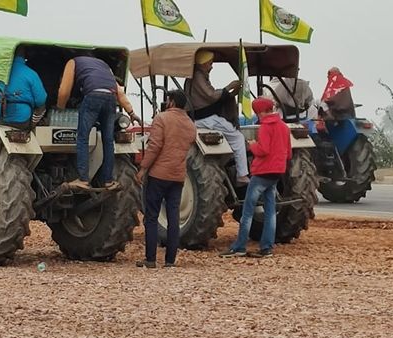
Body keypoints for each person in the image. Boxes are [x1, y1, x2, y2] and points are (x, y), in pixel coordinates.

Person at [220, 97, 291, 258]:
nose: (257, 116)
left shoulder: (266, 127)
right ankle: (266, 247)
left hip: (262, 172)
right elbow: (289, 152)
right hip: (276, 173)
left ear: (261, 112)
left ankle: (239, 246)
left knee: (248, 211)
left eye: (257, 112)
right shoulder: (284, 127)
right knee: (270, 211)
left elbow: (263, 150)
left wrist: (252, 144)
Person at [56, 55, 140, 190]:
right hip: (110, 99)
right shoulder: (105, 66)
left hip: (93, 97)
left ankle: (83, 179)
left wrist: (60, 109)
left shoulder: (72, 62)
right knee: (108, 140)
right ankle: (108, 181)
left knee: (82, 138)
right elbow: (120, 92)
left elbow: (64, 91)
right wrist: (131, 112)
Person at [135, 90, 196, 269]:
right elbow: (191, 142)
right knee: (173, 217)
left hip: (158, 175)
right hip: (178, 176)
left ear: (171, 102)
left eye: (167, 99)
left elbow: (154, 146)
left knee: (152, 217)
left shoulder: (162, 118)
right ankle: (170, 261)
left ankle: (151, 259)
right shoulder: (190, 124)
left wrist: (143, 169)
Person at [183, 50, 249, 184]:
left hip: (201, 118)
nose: (212, 66)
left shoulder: (197, 75)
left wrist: (229, 94)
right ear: (203, 63)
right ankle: (242, 174)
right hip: (205, 119)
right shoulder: (198, 76)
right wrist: (228, 88)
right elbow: (211, 95)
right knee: (238, 138)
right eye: (210, 63)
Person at [0, 49, 48, 124]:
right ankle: (31, 127)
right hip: (23, 119)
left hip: (1, 116)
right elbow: (41, 100)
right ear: (24, 55)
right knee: (41, 107)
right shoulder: (30, 73)